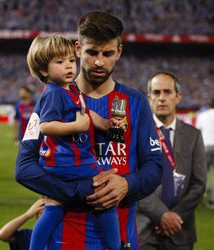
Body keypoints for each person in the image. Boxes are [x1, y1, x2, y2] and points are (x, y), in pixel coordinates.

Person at [15, 10, 162, 250]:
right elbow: (24, 169)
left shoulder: (135, 102)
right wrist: (77, 191)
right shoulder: (51, 99)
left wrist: (127, 184)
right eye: (92, 52)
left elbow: (154, 166)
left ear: (119, 52)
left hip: (120, 236)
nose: (99, 62)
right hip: (63, 238)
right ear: (77, 49)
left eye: (108, 53)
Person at [26, 34, 124, 250]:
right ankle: (115, 246)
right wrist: (77, 127)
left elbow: (84, 112)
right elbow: (46, 126)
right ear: (44, 70)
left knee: (54, 207)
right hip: (67, 162)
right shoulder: (53, 94)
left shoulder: (70, 89)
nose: (69, 67)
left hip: (63, 162)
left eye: (71, 60)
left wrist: (104, 124)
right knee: (104, 193)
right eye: (60, 62)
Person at [136, 71, 207, 250]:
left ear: (178, 97)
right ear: (148, 97)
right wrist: (162, 215)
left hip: (180, 229)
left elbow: (198, 184)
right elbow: (133, 182)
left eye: (167, 92)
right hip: (144, 230)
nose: (161, 98)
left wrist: (174, 216)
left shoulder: (193, 135)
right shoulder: (137, 134)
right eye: (156, 92)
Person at [196, 97, 214, 207]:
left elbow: (197, 131)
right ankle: (212, 200)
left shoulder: (203, 115)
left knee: (201, 173)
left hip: (205, 145)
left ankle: (198, 197)